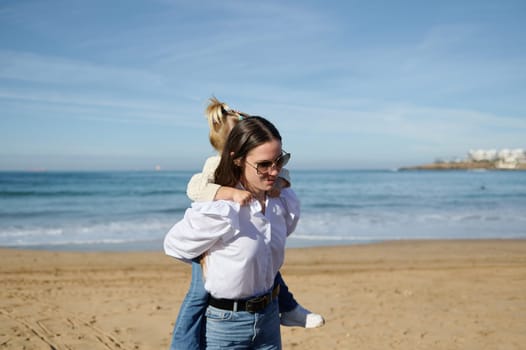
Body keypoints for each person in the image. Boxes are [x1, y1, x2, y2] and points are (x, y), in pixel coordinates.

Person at [169, 98, 324, 349]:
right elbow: (174, 245)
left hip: (269, 318)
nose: (274, 172)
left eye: (279, 161)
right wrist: (208, 252)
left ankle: (290, 308)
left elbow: (281, 235)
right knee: (195, 296)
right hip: (226, 325)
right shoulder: (221, 209)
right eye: (263, 165)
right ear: (237, 157)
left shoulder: (280, 199)